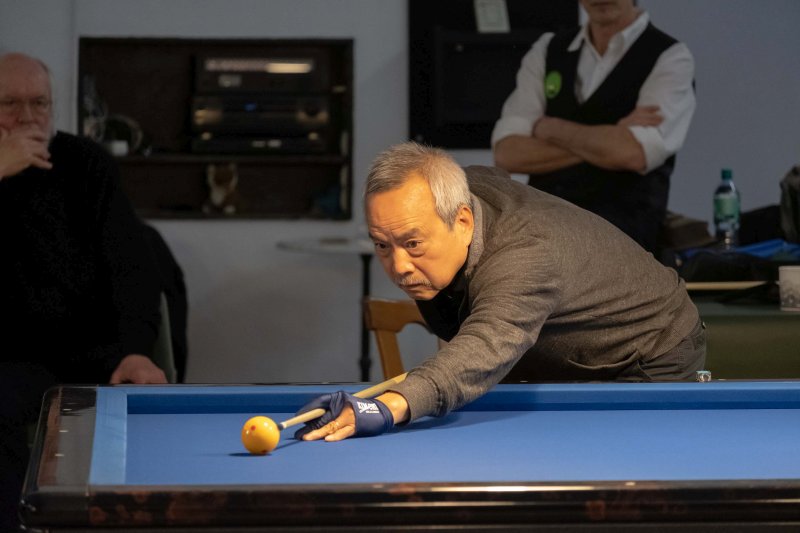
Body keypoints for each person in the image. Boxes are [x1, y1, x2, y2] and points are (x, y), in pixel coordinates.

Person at [294, 141, 705, 443]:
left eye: (413, 243)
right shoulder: (463, 191)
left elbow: (487, 343)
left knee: (618, 477)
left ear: (463, 222)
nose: (398, 266)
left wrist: (386, 405)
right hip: (559, 346)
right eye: (383, 245)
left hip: (647, 349)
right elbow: (490, 175)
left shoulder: (524, 259)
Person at [0, 52, 168, 531]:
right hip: (9, 355)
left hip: (91, 349)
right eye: (9, 104)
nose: (27, 117)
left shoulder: (85, 162)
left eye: (39, 103)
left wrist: (136, 349)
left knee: (144, 400)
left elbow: (131, 266)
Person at [491, 0, 696, 254]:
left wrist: (551, 128)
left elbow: (632, 153)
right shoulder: (548, 49)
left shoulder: (670, 57)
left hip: (623, 242)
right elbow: (508, 153)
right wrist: (611, 134)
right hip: (542, 232)